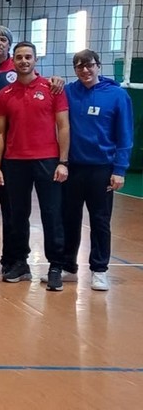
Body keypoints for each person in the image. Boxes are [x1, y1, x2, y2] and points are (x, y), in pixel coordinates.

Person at [0, 26, 63, 270]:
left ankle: (11, 258)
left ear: (9, 45)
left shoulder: (18, 68)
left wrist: (57, 80)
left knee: (12, 208)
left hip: (12, 151)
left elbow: (41, 84)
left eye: (3, 39)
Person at [0, 42, 69, 291]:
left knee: (51, 214)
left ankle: (55, 266)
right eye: (19, 57)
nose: (23, 61)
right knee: (17, 215)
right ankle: (20, 263)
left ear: (35, 60)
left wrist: (63, 162)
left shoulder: (52, 88)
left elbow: (64, 126)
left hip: (47, 160)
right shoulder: (4, 94)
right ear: (12, 61)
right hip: (15, 162)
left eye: (28, 57)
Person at [61, 49, 133, 291]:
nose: (85, 70)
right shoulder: (68, 92)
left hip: (102, 169)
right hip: (73, 168)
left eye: (89, 65)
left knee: (100, 221)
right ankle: (68, 267)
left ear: (98, 66)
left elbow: (125, 136)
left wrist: (119, 169)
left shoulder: (117, 95)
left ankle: (99, 270)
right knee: (69, 218)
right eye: (79, 66)